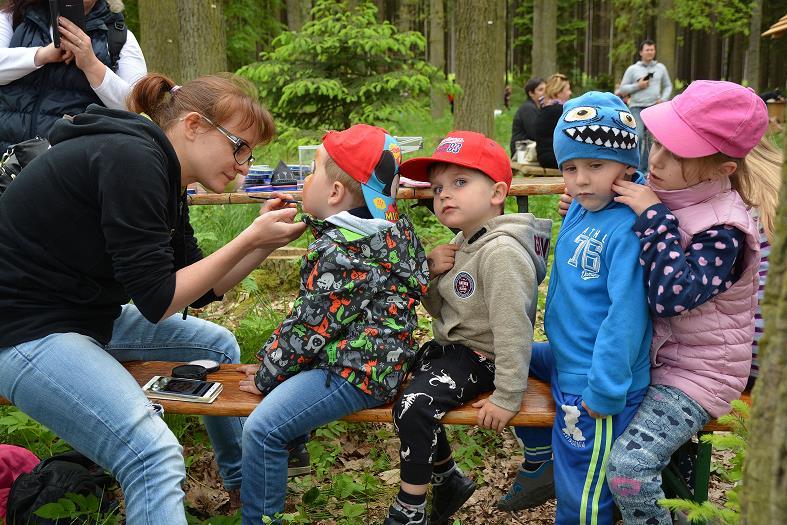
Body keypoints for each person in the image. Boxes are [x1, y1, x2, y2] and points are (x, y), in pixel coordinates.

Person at [0, 72, 307, 525]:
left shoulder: (166, 173)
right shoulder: (131, 159)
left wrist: (261, 243)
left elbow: (199, 292)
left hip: (80, 315)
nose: (245, 165)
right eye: (239, 146)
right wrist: (246, 241)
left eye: (250, 154)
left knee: (216, 346)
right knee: (152, 456)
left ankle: (244, 487)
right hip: (23, 329)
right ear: (194, 125)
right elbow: (158, 300)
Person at [236, 124, 429, 525]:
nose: (303, 180)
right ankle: (296, 446)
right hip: (381, 359)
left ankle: (260, 518)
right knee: (279, 398)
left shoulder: (340, 249)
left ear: (336, 193)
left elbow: (309, 329)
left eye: (312, 171)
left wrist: (267, 373)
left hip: (357, 371)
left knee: (261, 430)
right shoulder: (391, 230)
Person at [606, 81, 773, 524]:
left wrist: (652, 216)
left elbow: (670, 296)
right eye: (657, 143)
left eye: (676, 154)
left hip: (699, 374)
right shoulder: (665, 191)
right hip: (653, 358)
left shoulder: (725, 230)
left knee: (630, 468)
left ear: (722, 167)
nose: (655, 159)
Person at [379, 131, 552, 525]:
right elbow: (443, 309)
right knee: (399, 385)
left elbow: (513, 330)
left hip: (484, 359)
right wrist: (429, 274)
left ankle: (410, 509)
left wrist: (509, 395)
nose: (444, 196)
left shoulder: (502, 252)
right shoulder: (464, 241)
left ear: (497, 193)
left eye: (460, 183)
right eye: (438, 188)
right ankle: (447, 477)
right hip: (455, 352)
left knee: (414, 405)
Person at [504, 91, 652, 524]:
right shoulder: (584, 207)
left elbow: (626, 316)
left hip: (595, 378)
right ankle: (539, 454)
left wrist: (605, 390)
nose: (581, 180)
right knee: (495, 358)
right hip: (565, 357)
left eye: (596, 166)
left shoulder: (627, 227)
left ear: (627, 168)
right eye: (570, 168)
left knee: (583, 493)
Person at [0, 0, 147, 151]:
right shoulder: (16, 16)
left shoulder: (120, 37)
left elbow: (136, 107)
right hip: (6, 158)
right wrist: (41, 55)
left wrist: (91, 64)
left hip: (71, 165)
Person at [617, 39, 672, 173]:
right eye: (647, 50)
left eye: (652, 50)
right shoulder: (632, 69)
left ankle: (647, 169)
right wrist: (638, 86)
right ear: (641, 52)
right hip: (637, 107)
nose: (650, 52)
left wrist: (663, 99)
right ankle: (634, 168)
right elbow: (622, 90)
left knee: (654, 140)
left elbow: (668, 85)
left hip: (655, 108)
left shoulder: (661, 68)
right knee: (638, 136)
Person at [533, 73, 572, 169]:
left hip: (545, 157)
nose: (570, 93)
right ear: (558, 92)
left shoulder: (546, 107)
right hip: (553, 158)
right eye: (568, 89)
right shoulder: (559, 110)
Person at [510, 76, 545, 156]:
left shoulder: (537, 107)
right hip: (521, 151)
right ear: (531, 93)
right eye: (540, 90)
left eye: (546, 89)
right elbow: (534, 133)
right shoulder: (528, 108)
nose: (544, 92)